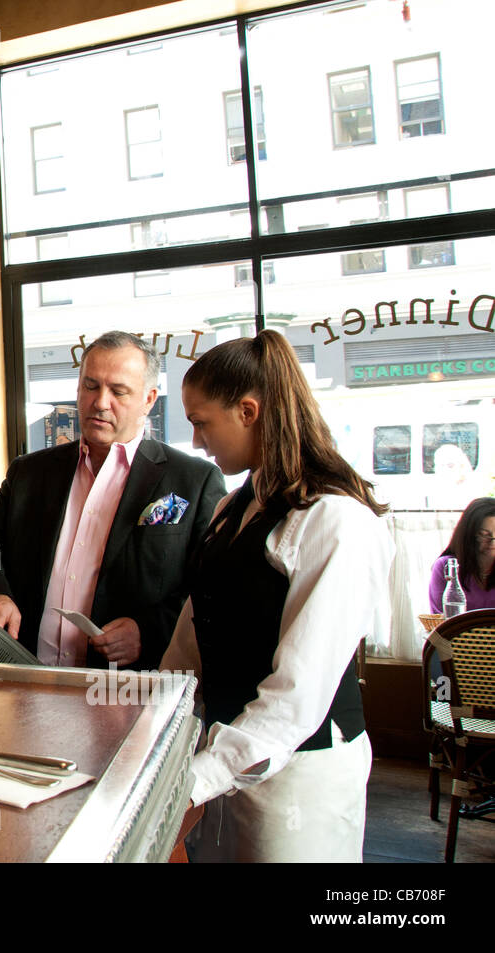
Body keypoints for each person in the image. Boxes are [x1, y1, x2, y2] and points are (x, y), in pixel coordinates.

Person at [162, 329, 393, 862]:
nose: (196, 441)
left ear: (248, 411)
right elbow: (190, 643)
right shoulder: (230, 511)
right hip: (220, 759)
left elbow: (298, 696)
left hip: (297, 779)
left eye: (201, 423)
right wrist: (158, 728)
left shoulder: (337, 523)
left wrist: (198, 778)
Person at [0, 331, 225, 670]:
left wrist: (149, 631)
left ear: (149, 399)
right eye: (90, 386)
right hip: (24, 682)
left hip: (123, 695)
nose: (100, 402)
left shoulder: (193, 482)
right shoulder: (30, 472)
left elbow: (208, 591)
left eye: (118, 391)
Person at [428, 497, 495, 612]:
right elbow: (440, 621)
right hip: (456, 630)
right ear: (469, 533)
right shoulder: (447, 567)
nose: (493, 541)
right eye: (484, 534)